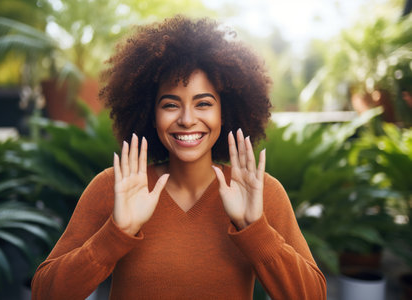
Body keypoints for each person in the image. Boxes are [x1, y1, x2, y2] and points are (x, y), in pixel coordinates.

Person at [31, 16, 326, 299]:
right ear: (151, 113)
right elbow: (44, 293)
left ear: (225, 113)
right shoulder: (115, 188)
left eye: (204, 104)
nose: (187, 119)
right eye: (171, 104)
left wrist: (254, 228)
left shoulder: (260, 194)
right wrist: (115, 235)